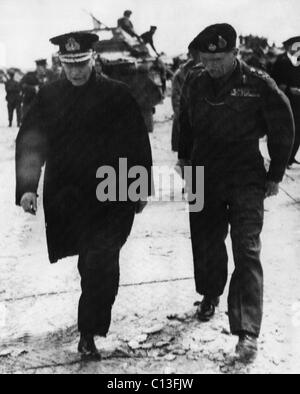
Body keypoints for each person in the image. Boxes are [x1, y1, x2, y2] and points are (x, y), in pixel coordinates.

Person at [15, 32, 153, 360]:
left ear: (93, 58)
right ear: (61, 63)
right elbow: (31, 141)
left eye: (80, 63)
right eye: (68, 64)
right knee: (89, 261)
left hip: (112, 194)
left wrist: (140, 187)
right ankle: (90, 318)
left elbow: (137, 143)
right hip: (69, 196)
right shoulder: (49, 96)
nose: (75, 71)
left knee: (101, 260)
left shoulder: (117, 94)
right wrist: (27, 188)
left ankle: (88, 331)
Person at [178, 23, 294, 362]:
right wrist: (184, 159)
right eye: (206, 58)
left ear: (234, 54)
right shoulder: (195, 83)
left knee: (247, 248)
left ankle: (247, 332)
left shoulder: (258, 84)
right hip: (203, 169)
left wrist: (275, 174)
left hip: (244, 170)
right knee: (206, 239)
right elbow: (184, 124)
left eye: (219, 58)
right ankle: (210, 293)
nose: (212, 65)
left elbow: (283, 125)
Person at [272, 36, 300, 166]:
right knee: (286, 131)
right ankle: (283, 159)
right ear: (289, 47)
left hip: (297, 101)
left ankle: (291, 157)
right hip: (286, 101)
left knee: (297, 131)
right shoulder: (282, 61)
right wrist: (289, 89)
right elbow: (275, 83)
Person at [171, 41, 203, 152]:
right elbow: (176, 100)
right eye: (194, 54)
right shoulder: (181, 74)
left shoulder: (210, 71)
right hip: (185, 121)